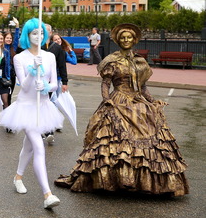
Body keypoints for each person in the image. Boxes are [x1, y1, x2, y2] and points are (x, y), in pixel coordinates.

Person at [55, 23, 189, 196]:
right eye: (123, 38)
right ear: (118, 40)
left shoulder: (139, 61)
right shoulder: (112, 60)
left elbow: (143, 86)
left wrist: (153, 101)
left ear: (134, 40)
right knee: (109, 140)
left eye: (129, 38)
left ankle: (144, 181)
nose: (126, 40)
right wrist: (107, 100)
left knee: (154, 137)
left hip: (138, 101)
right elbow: (106, 84)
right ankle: (113, 179)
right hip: (118, 100)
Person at [0, 18, 63, 209]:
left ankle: (18, 177)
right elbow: (24, 86)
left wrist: (47, 86)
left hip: (43, 107)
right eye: (34, 33)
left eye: (41, 33)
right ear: (27, 36)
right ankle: (47, 194)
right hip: (26, 108)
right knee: (38, 147)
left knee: (28, 147)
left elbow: (54, 83)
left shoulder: (49, 56)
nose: (38, 36)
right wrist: (33, 70)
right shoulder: (20, 58)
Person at [42, 24, 69, 142]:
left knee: (48, 104)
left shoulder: (57, 48)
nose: (45, 32)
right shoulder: (38, 46)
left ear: (51, 32)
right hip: (38, 81)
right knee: (39, 105)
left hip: (51, 82)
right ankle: (41, 129)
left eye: (48, 30)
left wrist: (64, 81)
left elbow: (62, 66)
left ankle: (49, 131)